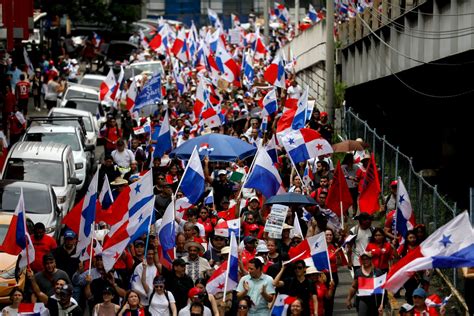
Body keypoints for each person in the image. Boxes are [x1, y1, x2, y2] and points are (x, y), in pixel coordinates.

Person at [346, 252, 384, 316]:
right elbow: (354, 287)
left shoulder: (378, 272)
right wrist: (348, 299)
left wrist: (382, 305)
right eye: (363, 259)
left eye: (367, 259)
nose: (365, 261)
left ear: (371, 260)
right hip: (362, 301)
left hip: (375, 302)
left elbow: (382, 289)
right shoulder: (358, 272)